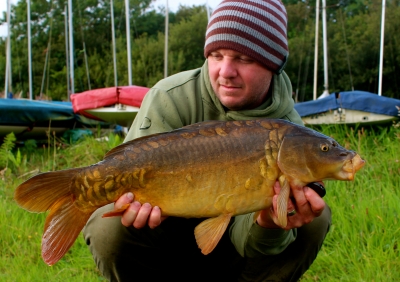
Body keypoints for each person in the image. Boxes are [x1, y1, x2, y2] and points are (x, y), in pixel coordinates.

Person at [83, 0, 331, 281]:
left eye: (244, 58)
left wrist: (270, 223)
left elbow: (247, 241)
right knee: (109, 228)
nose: (225, 71)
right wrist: (141, 202)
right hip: (169, 235)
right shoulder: (170, 98)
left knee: (314, 218)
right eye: (216, 55)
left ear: (273, 64)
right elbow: (128, 173)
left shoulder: (291, 134)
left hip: (237, 246)